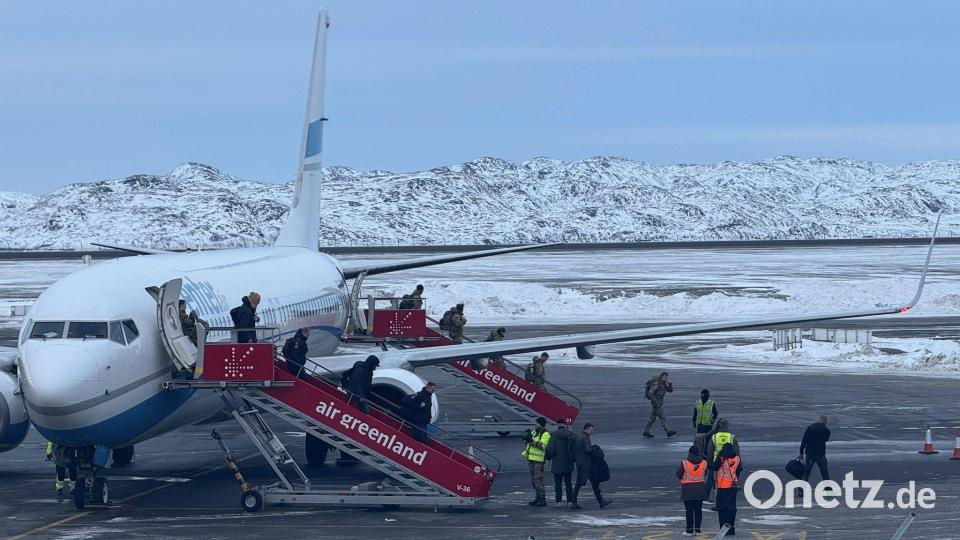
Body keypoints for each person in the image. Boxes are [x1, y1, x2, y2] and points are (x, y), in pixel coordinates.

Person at [571, 423, 612, 509]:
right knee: (582, 482)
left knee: (592, 482)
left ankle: (600, 501)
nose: (592, 432)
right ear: (587, 429)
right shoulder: (585, 437)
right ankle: (574, 502)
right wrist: (595, 450)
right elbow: (588, 450)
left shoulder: (579, 436)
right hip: (585, 463)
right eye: (591, 430)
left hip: (580, 462)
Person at [704, 418, 739, 503]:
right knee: (729, 480)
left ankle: (716, 499)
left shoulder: (714, 436)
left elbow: (710, 451)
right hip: (730, 464)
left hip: (716, 463)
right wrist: (738, 464)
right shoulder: (731, 437)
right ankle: (727, 499)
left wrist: (709, 463)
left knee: (715, 481)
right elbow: (737, 452)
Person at [676, 444, 708, 535]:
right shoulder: (704, 462)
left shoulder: (684, 463)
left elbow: (678, 474)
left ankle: (689, 530)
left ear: (689, 453)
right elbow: (704, 473)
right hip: (700, 489)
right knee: (698, 510)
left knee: (689, 511)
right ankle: (697, 529)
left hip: (688, 490)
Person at [712, 442, 742, 536]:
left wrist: (719, 455)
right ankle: (731, 529)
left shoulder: (722, 458)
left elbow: (715, 467)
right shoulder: (737, 458)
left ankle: (723, 528)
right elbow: (739, 470)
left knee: (721, 509)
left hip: (722, 486)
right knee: (731, 508)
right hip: (733, 486)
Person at [521, 416, 551, 507]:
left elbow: (543, 446)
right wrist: (525, 439)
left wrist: (531, 440)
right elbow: (528, 443)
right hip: (531, 459)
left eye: (536, 423)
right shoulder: (534, 433)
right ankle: (538, 496)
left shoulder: (546, 434)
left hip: (538, 461)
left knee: (538, 479)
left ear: (541, 424)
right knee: (533, 480)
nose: (535, 425)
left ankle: (542, 498)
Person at [546, 417, 575, 507]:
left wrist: (548, 457)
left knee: (558, 484)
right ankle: (570, 501)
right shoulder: (570, 434)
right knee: (568, 483)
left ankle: (558, 501)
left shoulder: (553, 435)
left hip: (557, 463)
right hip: (568, 462)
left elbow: (551, 450)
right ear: (565, 425)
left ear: (557, 425)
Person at [643, 371, 677, 438]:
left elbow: (670, 390)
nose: (666, 378)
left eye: (667, 377)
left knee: (652, 418)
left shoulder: (663, 384)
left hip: (658, 402)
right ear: (662, 376)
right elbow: (650, 393)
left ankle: (646, 431)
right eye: (665, 377)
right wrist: (656, 402)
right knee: (662, 418)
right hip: (656, 403)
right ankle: (668, 431)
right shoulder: (657, 384)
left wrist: (670, 384)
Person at [799, 415, 831, 483]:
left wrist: (801, 452)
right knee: (824, 473)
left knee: (806, 473)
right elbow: (826, 439)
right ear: (825, 422)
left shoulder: (810, 428)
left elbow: (804, 440)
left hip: (809, 453)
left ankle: (801, 490)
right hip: (820, 454)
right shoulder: (826, 431)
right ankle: (828, 488)